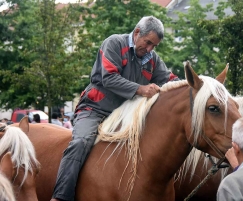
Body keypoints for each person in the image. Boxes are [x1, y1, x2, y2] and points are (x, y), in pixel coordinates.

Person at [50, 16, 179, 201]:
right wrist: (141, 89)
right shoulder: (114, 43)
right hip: (95, 108)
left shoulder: (153, 60)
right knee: (80, 142)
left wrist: (197, 86)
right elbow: (108, 78)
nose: (150, 49)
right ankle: (60, 197)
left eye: (154, 46)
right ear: (136, 33)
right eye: (148, 42)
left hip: (126, 115)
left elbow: (170, 79)